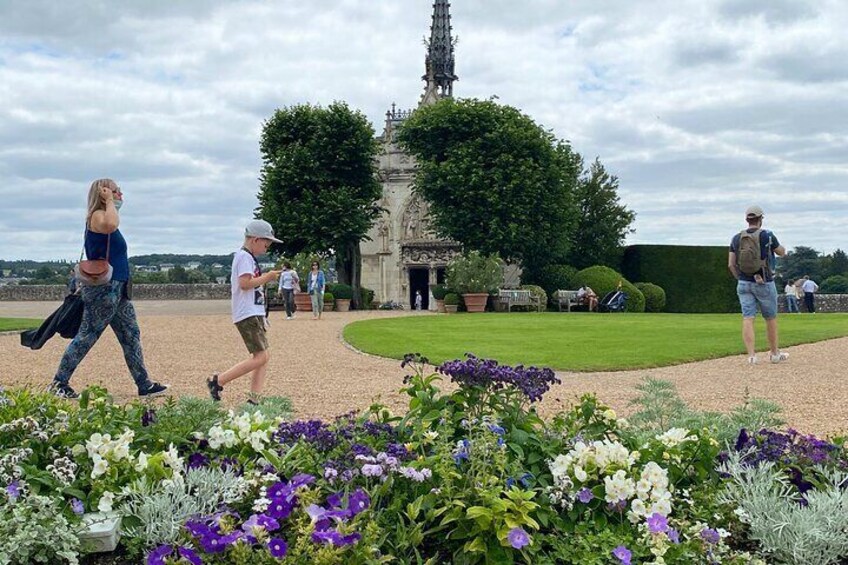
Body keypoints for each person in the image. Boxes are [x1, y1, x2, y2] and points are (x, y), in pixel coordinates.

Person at [50, 179, 168, 399]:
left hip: (118, 288)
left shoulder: (104, 215)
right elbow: (111, 225)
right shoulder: (97, 216)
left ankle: (144, 384)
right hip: (103, 289)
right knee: (88, 335)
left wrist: (110, 200)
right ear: (103, 193)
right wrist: (108, 201)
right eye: (116, 191)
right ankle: (59, 382)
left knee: (131, 335)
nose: (121, 194)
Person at [207, 220, 282, 404]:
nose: (267, 247)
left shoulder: (246, 257)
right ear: (255, 240)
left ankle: (254, 398)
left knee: (263, 356)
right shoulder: (244, 257)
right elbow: (245, 283)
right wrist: (267, 277)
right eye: (266, 243)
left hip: (253, 312)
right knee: (261, 356)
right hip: (248, 313)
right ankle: (218, 381)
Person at [728, 205, 788, 365]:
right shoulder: (767, 235)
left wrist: (740, 278)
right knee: (770, 318)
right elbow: (781, 252)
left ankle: (752, 356)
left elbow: (731, 264)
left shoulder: (736, 238)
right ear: (760, 219)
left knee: (748, 318)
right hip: (764, 281)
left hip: (743, 282)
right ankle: (774, 353)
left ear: (747, 219)